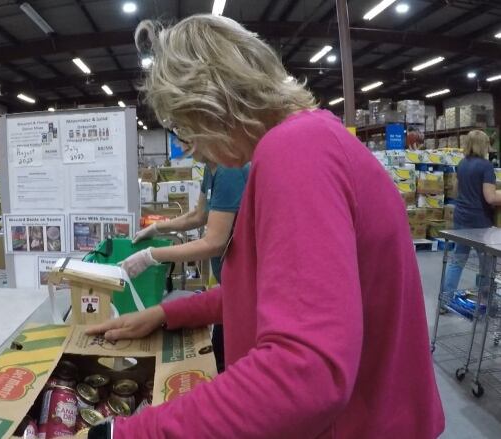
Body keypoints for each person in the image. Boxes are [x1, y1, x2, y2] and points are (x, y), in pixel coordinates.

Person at [82, 15, 444, 439]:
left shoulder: (295, 151)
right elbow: (268, 290)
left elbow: (305, 374)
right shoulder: (310, 141)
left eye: (184, 126)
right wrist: (166, 313)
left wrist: (122, 435)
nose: (189, 149)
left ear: (212, 100)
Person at [122, 156, 250, 371]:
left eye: (185, 136)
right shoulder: (212, 169)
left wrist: (151, 255)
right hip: (228, 288)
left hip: (242, 289)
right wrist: (156, 229)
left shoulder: (229, 169)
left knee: (229, 365)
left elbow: (214, 242)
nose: (182, 148)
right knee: (219, 357)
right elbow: (199, 215)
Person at [443, 130, 501, 293]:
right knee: (486, 262)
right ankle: (484, 297)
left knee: (458, 259)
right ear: (483, 145)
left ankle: (446, 297)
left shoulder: (462, 164)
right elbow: (490, 198)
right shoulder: (486, 166)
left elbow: (455, 191)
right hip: (479, 221)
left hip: (461, 217)